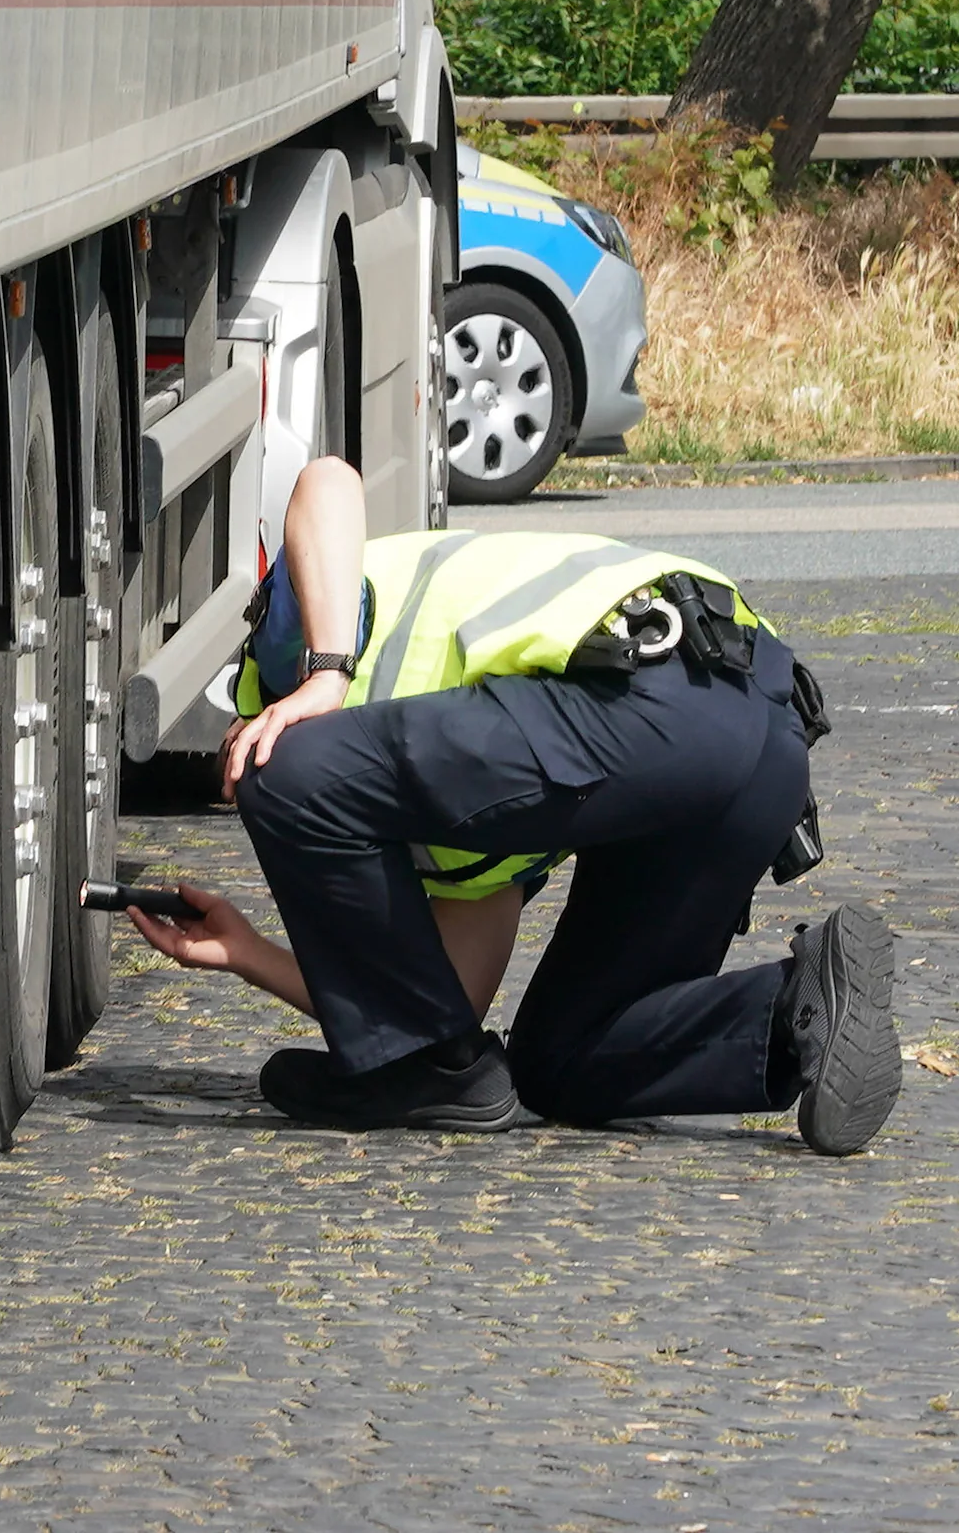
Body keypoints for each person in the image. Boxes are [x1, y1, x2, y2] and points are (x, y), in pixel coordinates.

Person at [125, 458, 901, 1153]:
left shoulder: (313, 644)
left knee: (287, 769)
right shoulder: (436, 788)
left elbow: (327, 481)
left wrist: (325, 673)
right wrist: (249, 954)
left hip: (648, 688)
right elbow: (441, 1020)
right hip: (755, 742)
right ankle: (799, 1009)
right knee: (563, 1062)